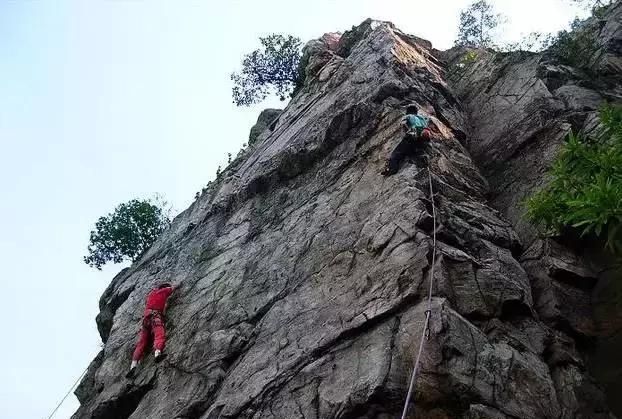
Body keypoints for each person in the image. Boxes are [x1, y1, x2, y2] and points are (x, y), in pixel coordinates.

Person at [127, 283, 174, 378]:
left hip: (146, 320)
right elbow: (173, 288)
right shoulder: (164, 290)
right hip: (155, 316)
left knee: (142, 342)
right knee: (159, 334)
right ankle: (157, 353)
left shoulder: (151, 294)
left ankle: (133, 366)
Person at [382, 105, 431, 176]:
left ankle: (392, 169)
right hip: (423, 140)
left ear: (408, 111)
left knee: (396, 154)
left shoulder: (408, 116)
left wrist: (408, 132)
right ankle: (421, 160)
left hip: (411, 137)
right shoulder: (422, 118)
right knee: (415, 151)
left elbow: (403, 124)